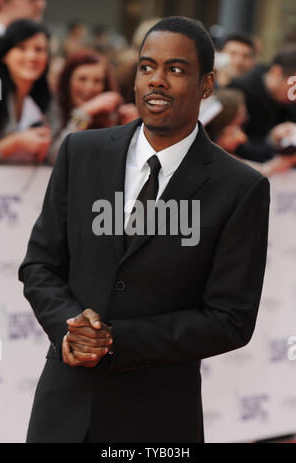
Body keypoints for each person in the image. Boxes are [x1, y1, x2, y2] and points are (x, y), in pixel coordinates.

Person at [19, 16, 270, 443]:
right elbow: (40, 264)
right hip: (63, 408)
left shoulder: (241, 188)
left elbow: (230, 319)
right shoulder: (81, 153)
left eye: (175, 70)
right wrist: (71, 327)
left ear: (206, 86)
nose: (156, 81)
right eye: (146, 67)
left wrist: (115, 341)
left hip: (159, 417)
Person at [49, 49, 139, 164]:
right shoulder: (55, 107)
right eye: (82, 79)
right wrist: (83, 113)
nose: (89, 87)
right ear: (68, 81)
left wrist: (132, 129)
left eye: (97, 81)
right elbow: (55, 157)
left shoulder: (111, 115)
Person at [228, 44, 296, 162]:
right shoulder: (239, 91)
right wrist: (271, 140)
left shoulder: (289, 100)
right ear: (276, 72)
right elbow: (231, 147)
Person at [0, 19, 52, 163]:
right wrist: (15, 143)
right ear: (5, 54)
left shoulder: (44, 100)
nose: (32, 57)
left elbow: (55, 154)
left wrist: (83, 114)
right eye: (22, 47)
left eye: (39, 49)